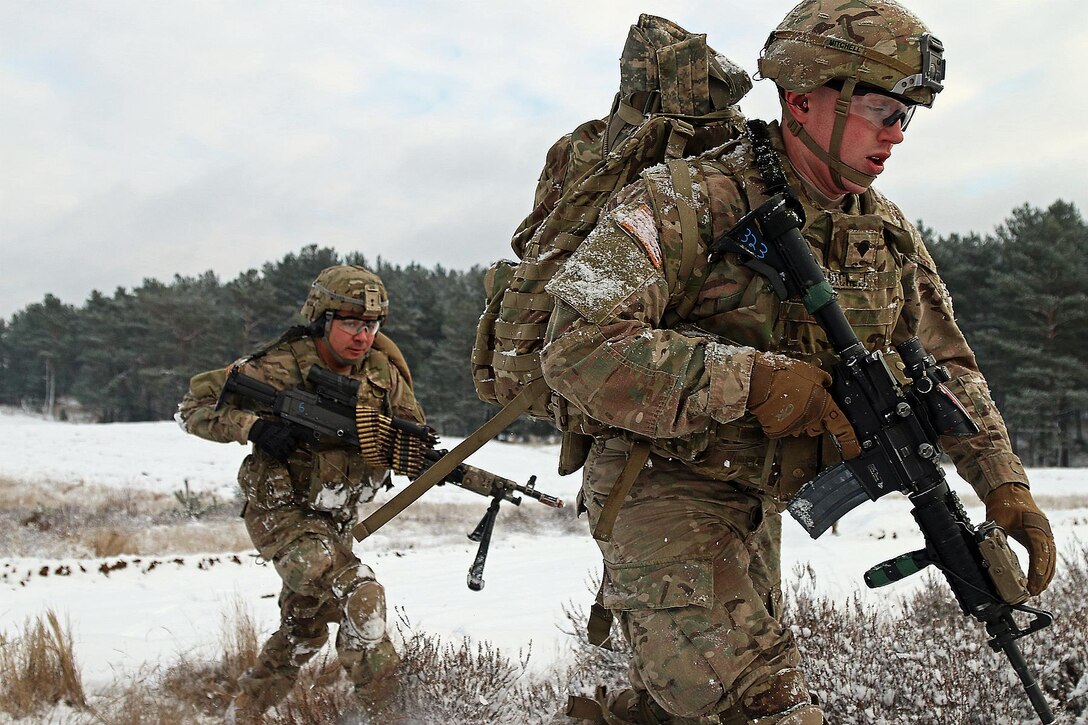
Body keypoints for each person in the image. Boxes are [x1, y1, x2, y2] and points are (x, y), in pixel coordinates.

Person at [539, 1, 1056, 723]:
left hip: (761, 504)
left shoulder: (885, 232)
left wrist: (1004, 486)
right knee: (766, 706)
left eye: (908, 114)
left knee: (682, 708)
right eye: (881, 108)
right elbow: (574, 347)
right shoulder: (681, 201)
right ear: (803, 98)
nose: (896, 133)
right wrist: (751, 380)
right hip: (664, 488)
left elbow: (949, 365)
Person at [177, 264, 424, 723]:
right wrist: (253, 426)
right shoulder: (277, 366)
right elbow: (192, 408)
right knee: (360, 593)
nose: (362, 336)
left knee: (304, 629)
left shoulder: (382, 373)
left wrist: (412, 456)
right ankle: (395, 714)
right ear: (322, 320)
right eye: (350, 323)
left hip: (336, 519)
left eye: (370, 326)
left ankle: (243, 713)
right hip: (282, 515)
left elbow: (414, 437)